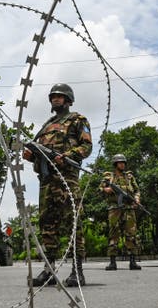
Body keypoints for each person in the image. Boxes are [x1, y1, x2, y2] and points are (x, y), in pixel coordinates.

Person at [23, 83, 92, 287]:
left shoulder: (77, 120)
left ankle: (77, 271)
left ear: (69, 100)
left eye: (60, 96)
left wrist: (67, 156)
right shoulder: (45, 126)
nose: (55, 99)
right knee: (47, 225)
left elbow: (86, 146)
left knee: (73, 223)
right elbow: (39, 154)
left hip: (67, 179)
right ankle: (49, 270)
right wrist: (30, 156)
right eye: (53, 96)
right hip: (46, 181)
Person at [100, 154, 142, 271]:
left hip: (129, 208)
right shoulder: (109, 177)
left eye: (123, 162)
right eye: (120, 162)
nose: (122, 164)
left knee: (131, 234)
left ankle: (132, 261)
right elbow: (100, 189)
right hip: (114, 209)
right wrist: (106, 189)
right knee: (114, 233)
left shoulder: (129, 177)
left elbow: (137, 190)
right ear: (115, 164)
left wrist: (137, 199)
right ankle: (112, 262)